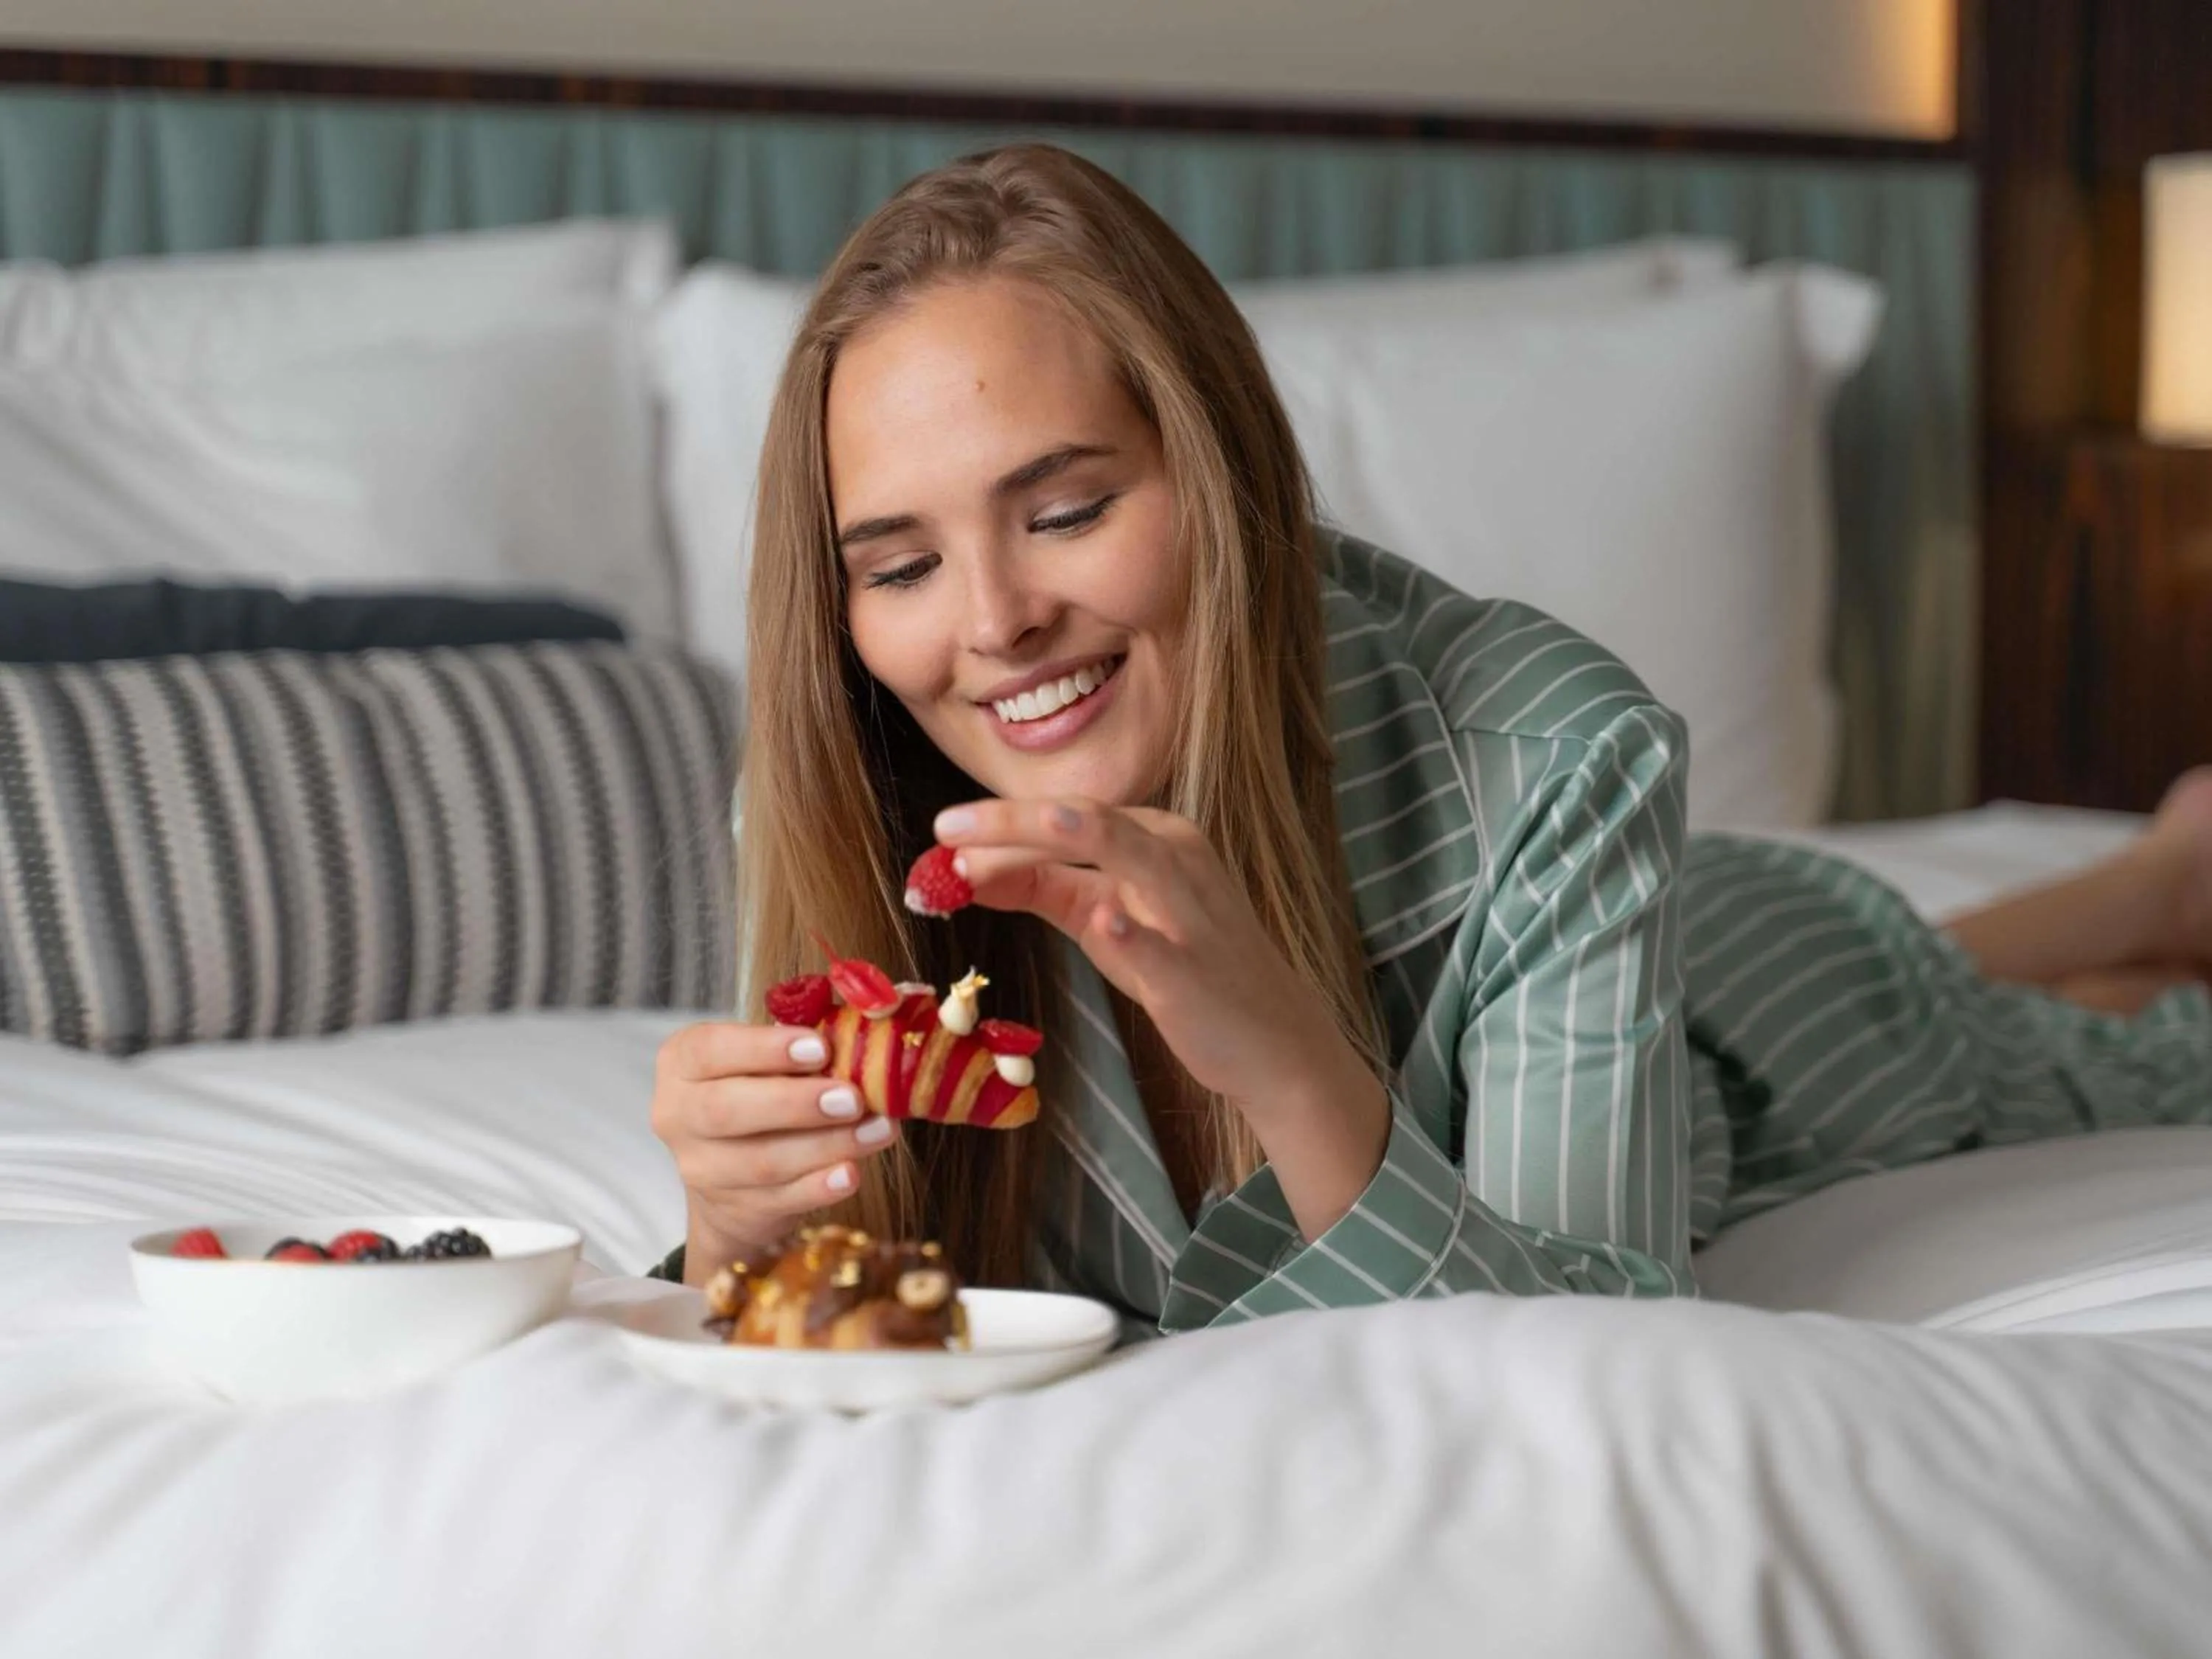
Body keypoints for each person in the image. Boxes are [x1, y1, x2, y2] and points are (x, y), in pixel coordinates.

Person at [647, 143, 2212, 1331]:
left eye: (1067, 511)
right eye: (904, 567)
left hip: (1765, 1002)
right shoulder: (843, 790)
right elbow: (804, 1306)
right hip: (1624, 920)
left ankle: (2158, 895)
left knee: (1962, 1012)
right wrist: (728, 1227)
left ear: (1223, 473)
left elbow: (1590, 1350)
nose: (991, 623)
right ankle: (2138, 894)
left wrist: (1290, 1064)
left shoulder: (1555, 758)